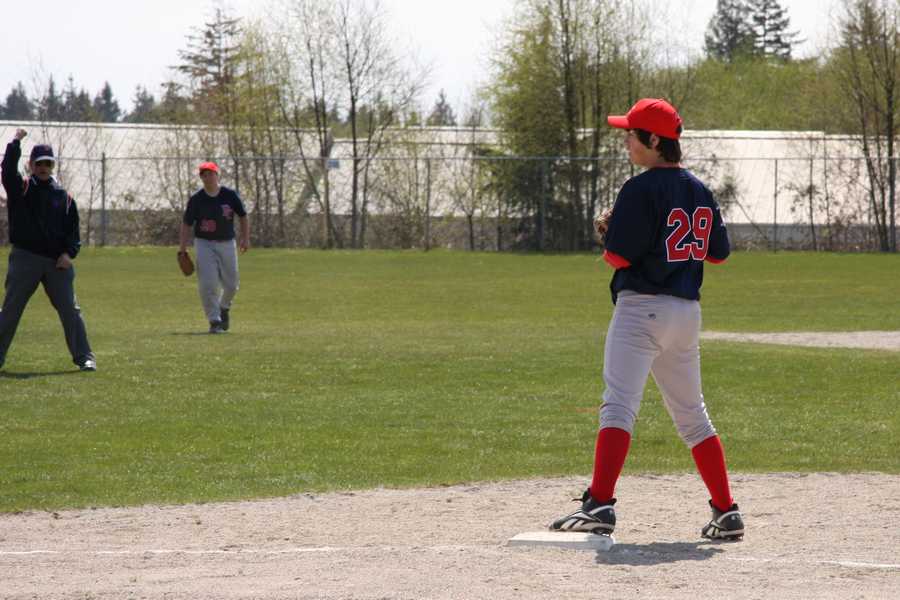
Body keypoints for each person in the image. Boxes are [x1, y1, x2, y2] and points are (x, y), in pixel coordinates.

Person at [550, 99, 744, 541]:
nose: (626, 141)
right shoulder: (700, 189)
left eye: (632, 135)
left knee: (619, 405)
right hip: (686, 314)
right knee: (693, 415)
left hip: (641, 310)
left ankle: (599, 504)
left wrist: (611, 232)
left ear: (655, 140)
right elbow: (718, 254)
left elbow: (618, 256)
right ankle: (726, 511)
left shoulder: (639, 188)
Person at [0, 129, 96, 372]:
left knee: (70, 311)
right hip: (25, 259)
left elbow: (73, 232)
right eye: (39, 163)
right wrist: (15, 143)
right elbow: (7, 171)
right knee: (11, 310)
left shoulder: (64, 197)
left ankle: (84, 357)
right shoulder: (21, 188)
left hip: (56, 263)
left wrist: (69, 253)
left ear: (52, 166)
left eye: (48, 164)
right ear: (31, 165)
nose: (43, 168)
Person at [179, 161, 249, 334]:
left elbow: (243, 216)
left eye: (211, 173)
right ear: (201, 178)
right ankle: (214, 320)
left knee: (232, 284)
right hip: (204, 244)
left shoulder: (229, 195)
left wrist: (245, 238)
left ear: (217, 175)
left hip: (227, 243)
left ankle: (224, 307)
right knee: (208, 284)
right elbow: (186, 224)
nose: (208, 177)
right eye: (204, 174)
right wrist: (182, 248)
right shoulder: (197, 199)